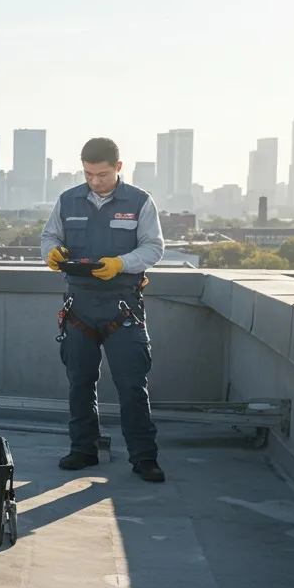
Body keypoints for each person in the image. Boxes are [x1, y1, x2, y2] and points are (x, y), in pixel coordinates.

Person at [41, 137, 167, 482]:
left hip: (121, 306)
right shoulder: (68, 200)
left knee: (132, 385)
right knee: (79, 382)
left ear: (118, 167)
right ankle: (83, 449)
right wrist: (51, 253)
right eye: (88, 174)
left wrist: (120, 264)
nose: (95, 181)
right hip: (79, 305)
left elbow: (153, 248)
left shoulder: (139, 201)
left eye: (102, 174)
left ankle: (144, 457)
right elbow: (50, 237)